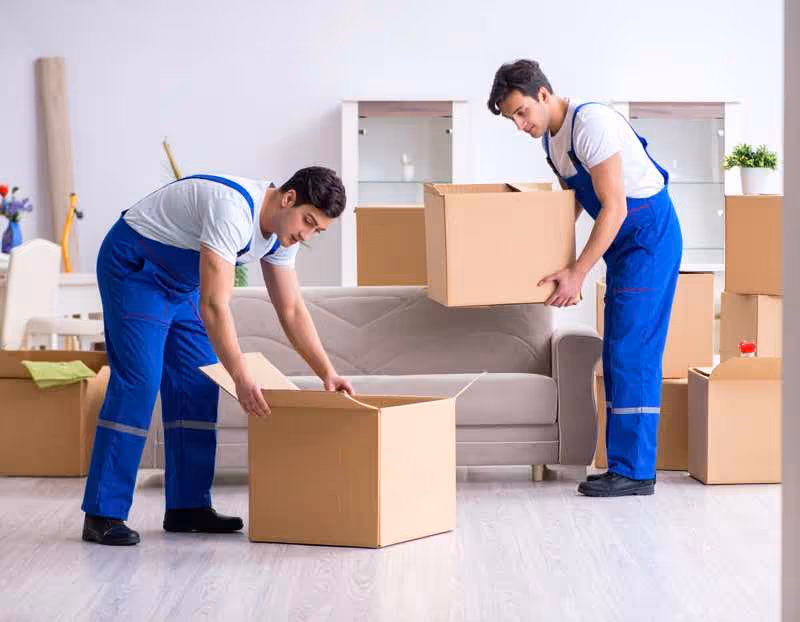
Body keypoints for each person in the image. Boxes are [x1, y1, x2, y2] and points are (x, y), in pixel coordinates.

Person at [82, 166, 353, 544]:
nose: (305, 235)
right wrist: (240, 375)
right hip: (135, 270)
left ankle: (188, 507)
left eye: (316, 231)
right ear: (289, 198)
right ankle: (103, 513)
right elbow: (214, 305)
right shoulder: (232, 210)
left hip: (182, 284)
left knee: (197, 382)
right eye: (307, 222)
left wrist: (327, 372)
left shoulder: (282, 237)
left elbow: (291, 310)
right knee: (140, 381)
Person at [488, 60, 683, 497]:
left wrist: (578, 272)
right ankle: (625, 466)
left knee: (633, 349)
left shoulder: (590, 124)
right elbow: (574, 203)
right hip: (621, 241)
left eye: (521, 112)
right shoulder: (552, 142)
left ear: (543, 94)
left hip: (647, 237)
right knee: (616, 349)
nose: (520, 125)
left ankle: (635, 472)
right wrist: (548, 258)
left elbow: (614, 207)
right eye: (511, 119)